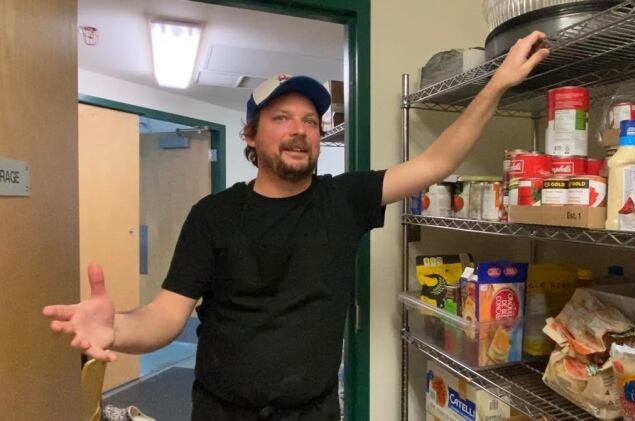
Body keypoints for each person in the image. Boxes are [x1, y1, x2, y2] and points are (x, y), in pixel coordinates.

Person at [43, 31, 549, 420]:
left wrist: (498, 83)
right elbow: (166, 317)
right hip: (223, 413)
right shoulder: (213, 215)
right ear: (252, 134)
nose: (299, 131)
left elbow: (436, 163)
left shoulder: (344, 199)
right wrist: (120, 328)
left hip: (314, 412)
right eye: (281, 118)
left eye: (310, 121)